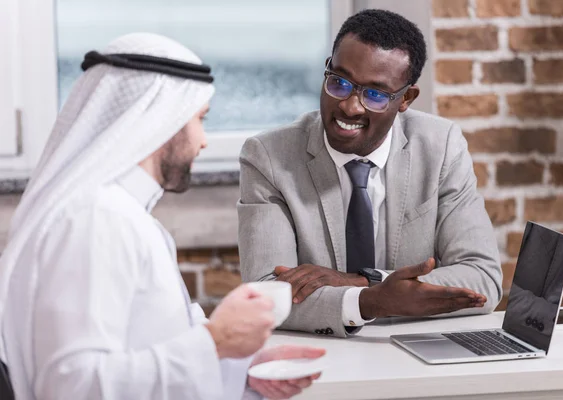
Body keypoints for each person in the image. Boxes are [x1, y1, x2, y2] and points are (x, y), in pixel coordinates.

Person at [0, 33, 323, 400]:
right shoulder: (95, 219)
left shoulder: (123, 215)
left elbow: (152, 343)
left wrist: (243, 367)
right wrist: (215, 341)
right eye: (200, 119)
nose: (203, 140)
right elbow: (72, 385)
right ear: (160, 121)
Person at [238, 9, 503, 338]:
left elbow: (483, 279)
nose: (349, 107)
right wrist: (368, 302)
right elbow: (265, 295)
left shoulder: (440, 147)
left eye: (375, 94)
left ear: (406, 98)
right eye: (339, 83)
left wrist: (364, 282)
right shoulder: (269, 157)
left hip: (415, 352)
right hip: (321, 355)